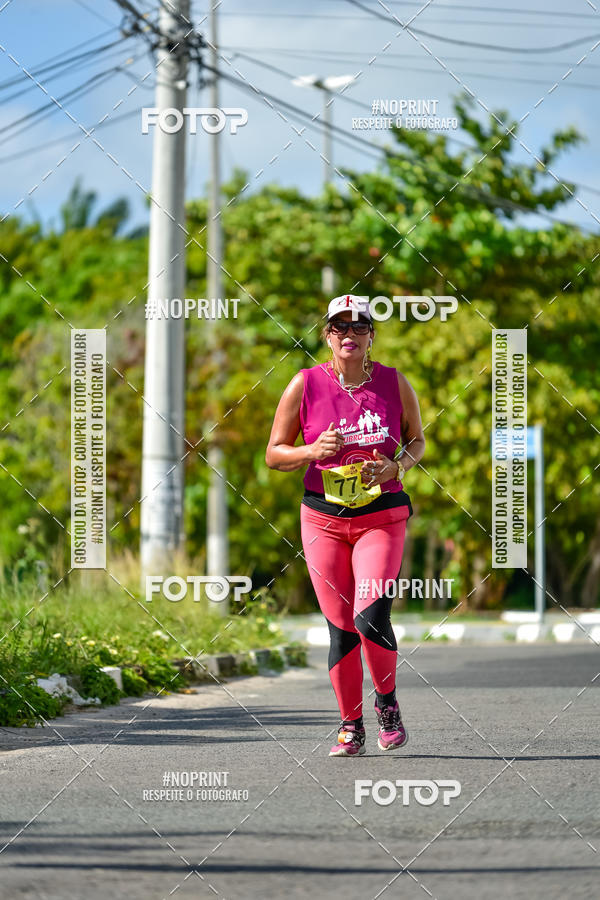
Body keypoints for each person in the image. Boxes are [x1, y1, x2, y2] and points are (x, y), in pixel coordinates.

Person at [265, 294, 425, 757]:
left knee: (370, 615)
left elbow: (417, 441)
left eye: (359, 327)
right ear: (327, 335)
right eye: (339, 327)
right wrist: (310, 452)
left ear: (372, 336)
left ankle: (387, 704)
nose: (349, 335)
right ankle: (350, 723)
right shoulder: (305, 384)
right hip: (324, 519)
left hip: (381, 516)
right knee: (341, 628)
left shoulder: (395, 383)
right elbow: (274, 453)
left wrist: (397, 467)